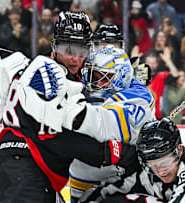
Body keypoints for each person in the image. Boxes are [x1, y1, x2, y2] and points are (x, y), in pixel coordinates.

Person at [0, 55, 136, 203]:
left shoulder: (30, 71)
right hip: (25, 176)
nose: (74, 58)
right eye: (67, 49)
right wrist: (116, 152)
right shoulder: (52, 81)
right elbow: (64, 141)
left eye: (79, 50)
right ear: (54, 50)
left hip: (15, 166)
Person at [82, 118, 185, 203]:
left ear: (180, 151)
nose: (161, 170)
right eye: (153, 164)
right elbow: (108, 191)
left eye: (166, 162)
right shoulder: (148, 175)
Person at [65, 46, 155, 202]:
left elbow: (104, 125)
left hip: (118, 183)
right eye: (93, 76)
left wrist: (65, 111)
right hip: (81, 180)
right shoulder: (87, 90)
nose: (95, 83)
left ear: (122, 78)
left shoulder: (138, 98)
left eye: (103, 78)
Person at [51, 11, 92, 82]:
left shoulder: (90, 78)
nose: (76, 59)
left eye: (82, 53)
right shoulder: (42, 76)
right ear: (55, 49)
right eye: (69, 51)